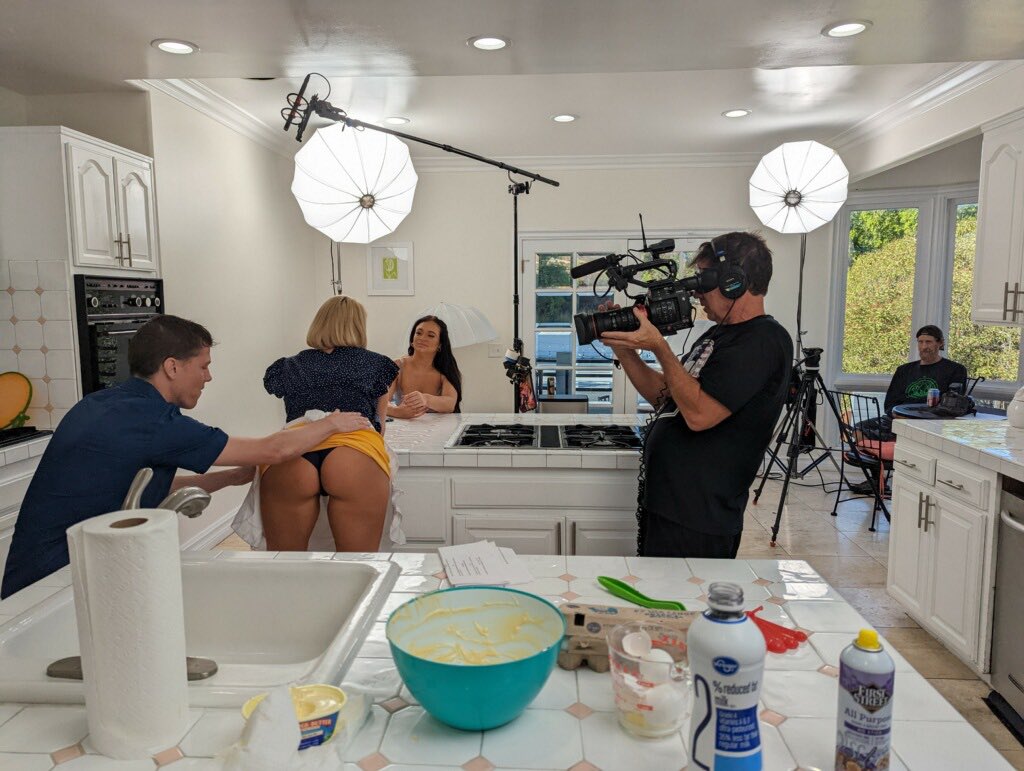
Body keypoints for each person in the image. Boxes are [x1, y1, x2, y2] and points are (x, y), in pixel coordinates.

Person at [1, 315, 371, 599]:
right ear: (172, 367)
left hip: (34, 575)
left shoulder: (102, 404)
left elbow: (131, 485)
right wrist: (331, 423)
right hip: (56, 583)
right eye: (203, 365)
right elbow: (274, 449)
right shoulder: (156, 422)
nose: (208, 377)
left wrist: (227, 477)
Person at [600, 231, 793, 559]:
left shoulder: (764, 340)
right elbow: (667, 398)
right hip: (671, 507)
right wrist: (626, 350)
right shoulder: (719, 335)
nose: (696, 291)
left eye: (704, 280)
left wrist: (660, 347)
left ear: (734, 281)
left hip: (700, 519)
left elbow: (700, 415)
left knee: (685, 594)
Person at [261, 296, 398, 551]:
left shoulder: (288, 366)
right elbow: (379, 424)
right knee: (356, 563)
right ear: (358, 326)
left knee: (285, 563)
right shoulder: (377, 365)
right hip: (354, 450)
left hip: (296, 448)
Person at [848, 325, 968, 493]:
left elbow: (951, 407)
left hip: (932, 423)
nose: (924, 346)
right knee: (859, 429)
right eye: (920, 342)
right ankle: (877, 480)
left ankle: (907, 471)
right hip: (898, 419)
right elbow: (890, 403)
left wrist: (918, 418)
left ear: (940, 343)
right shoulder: (904, 370)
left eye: (928, 342)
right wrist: (896, 414)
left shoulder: (955, 370)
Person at [387, 315, 462, 418]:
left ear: (440, 344)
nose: (422, 338)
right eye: (418, 333)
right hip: (404, 424)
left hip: (439, 425)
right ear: (412, 339)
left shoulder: (445, 368)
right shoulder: (397, 366)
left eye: (430, 335)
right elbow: (379, 401)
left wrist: (426, 399)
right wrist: (397, 411)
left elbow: (450, 404)